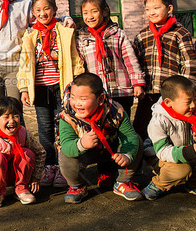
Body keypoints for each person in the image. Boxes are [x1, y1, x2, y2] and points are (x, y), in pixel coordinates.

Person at [17, 0, 84, 187]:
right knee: (44, 129)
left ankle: (64, 169)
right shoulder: (30, 35)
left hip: (62, 87)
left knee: (62, 128)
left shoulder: (63, 30)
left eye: (47, 8)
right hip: (40, 89)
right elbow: (25, 64)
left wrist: (75, 86)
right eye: (38, 10)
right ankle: (49, 168)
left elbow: (75, 58)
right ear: (33, 14)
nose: (42, 13)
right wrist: (24, 89)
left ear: (54, 10)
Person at [58, 73, 143, 204]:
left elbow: (130, 136)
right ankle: (77, 186)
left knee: (137, 140)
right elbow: (67, 145)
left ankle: (122, 182)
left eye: (83, 99)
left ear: (101, 99)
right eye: (73, 97)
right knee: (65, 153)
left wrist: (127, 155)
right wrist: (81, 144)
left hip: (112, 152)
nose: (77, 103)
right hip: (85, 153)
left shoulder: (116, 111)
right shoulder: (67, 116)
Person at [133, 0, 196, 140]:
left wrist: (187, 87)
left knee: (174, 126)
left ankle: (175, 155)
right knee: (141, 126)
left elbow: (189, 61)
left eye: (156, 8)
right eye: (148, 9)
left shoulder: (180, 33)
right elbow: (135, 62)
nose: (152, 12)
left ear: (169, 9)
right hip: (149, 91)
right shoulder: (142, 35)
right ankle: (144, 158)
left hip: (172, 91)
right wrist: (138, 84)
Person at [142, 75, 196, 201]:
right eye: (188, 102)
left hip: (187, 150)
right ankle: (158, 184)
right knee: (182, 170)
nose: (193, 105)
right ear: (168, 102)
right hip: (159, 155)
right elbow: (162, 151)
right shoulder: (159, 120)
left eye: (195, 100)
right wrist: (190, 152)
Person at [76, 0, 145, 117]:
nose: (89, 16)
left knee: (122, 125)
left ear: (105, 11)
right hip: (96, 94)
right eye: (85, 13)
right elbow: (80, 65)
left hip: (121, 91)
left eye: (94, 11)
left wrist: (137, 83)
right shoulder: (81, 37)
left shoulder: (118, 34)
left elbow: (130, 60)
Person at [0, 97, 45, 208]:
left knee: (27, 153)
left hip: (19, 174)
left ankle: (21, 188)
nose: (11, 121)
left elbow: (40, 152)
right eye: (6, 117)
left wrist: (35, 178)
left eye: (15, 116)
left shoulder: (23, 133)